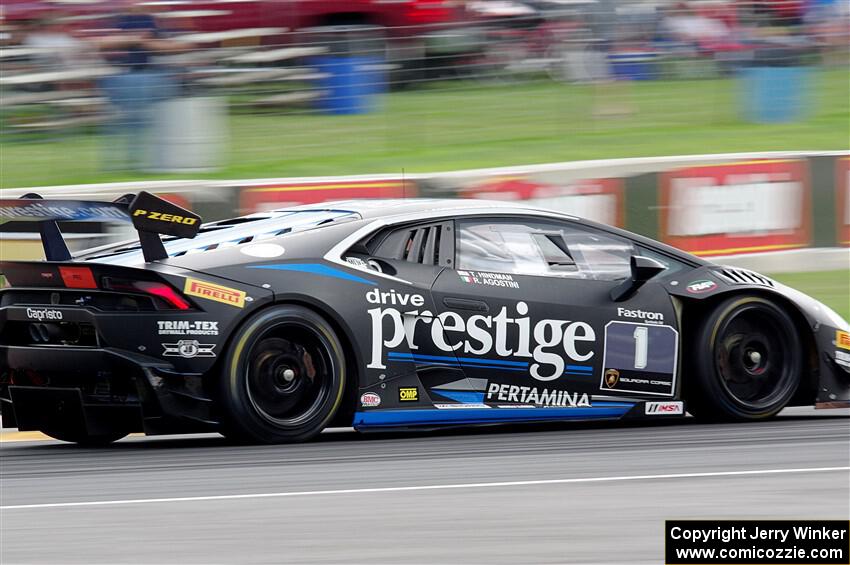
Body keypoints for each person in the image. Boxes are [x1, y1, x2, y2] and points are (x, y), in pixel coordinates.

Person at [93, 3, 182, 170]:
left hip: (146, 75)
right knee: (130, 121)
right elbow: (102, 44)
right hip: (123, 76)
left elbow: (166, 45)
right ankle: (123, 162)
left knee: (144, 121)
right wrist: (138, 40)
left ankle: (141, 160)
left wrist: (137, 41)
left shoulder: (149, 20)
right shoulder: (118, 20)